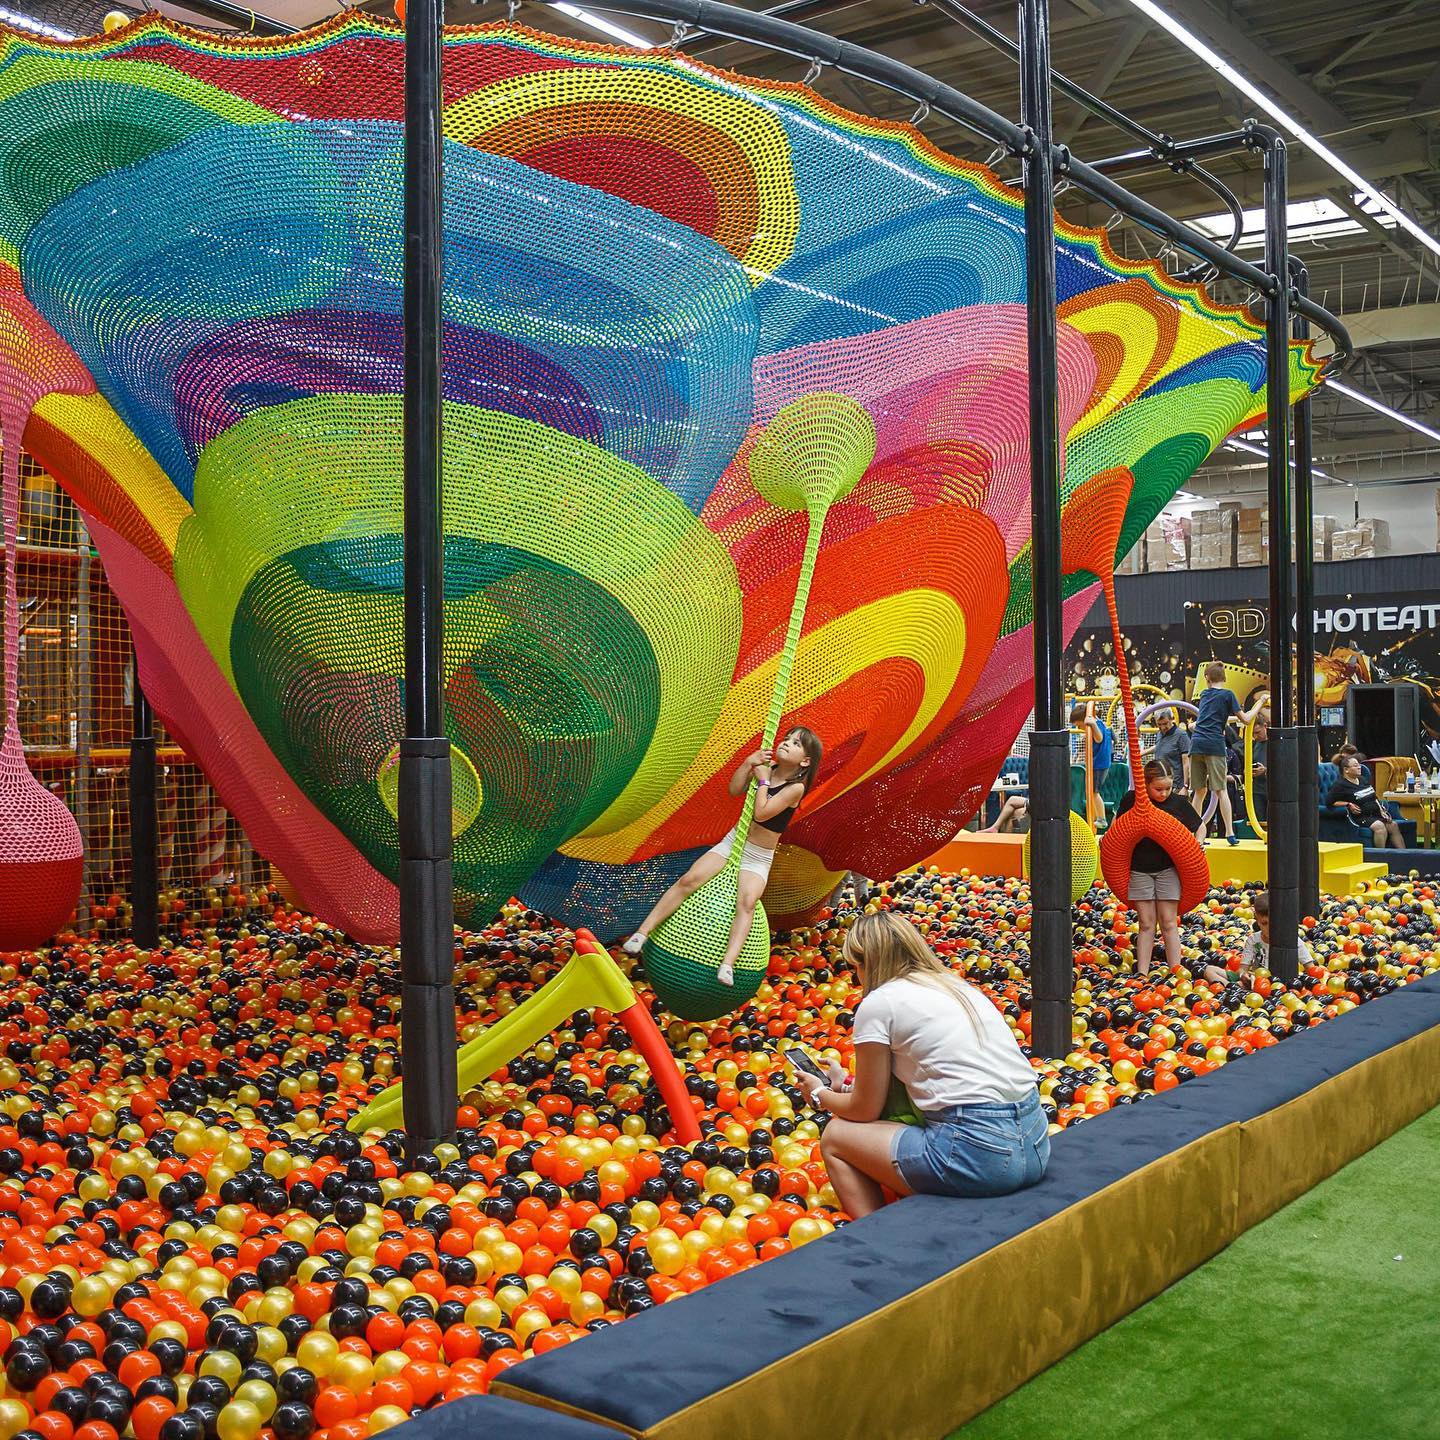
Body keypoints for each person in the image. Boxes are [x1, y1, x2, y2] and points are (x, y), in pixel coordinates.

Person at [792, 911, 1048, 1217]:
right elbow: (938, 1077)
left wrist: (821, 1095)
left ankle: (878, 1237)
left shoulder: (879, 1002)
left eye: (854, 967)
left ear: (867, 963)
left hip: (979, 1154)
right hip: (1035, 1144)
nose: (855, 976)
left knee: (835, 1137)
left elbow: (865, 1110)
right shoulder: (954, 986)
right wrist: (844, 1084)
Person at [624, 726, 824, 984]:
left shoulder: (796, 787)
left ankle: (727, 964)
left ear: (805, 761)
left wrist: (763, 779)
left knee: (747, 902)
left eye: (795, 744)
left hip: (759, 855)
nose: (786, 743)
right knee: (690, 879)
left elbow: (762, 813)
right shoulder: (768, 767)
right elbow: (735, 789)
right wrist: (748, 763)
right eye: (786, 739)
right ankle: (642, 933)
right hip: (735, 841)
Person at [1114, 760, 1205, 977]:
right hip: (1140, 870)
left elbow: (1199, 826)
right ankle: (1143, 973)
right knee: (1146, 923)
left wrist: (1198, 843)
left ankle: (1176, 970)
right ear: (1145, 785)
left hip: (1168, 869)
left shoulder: (1179, 804)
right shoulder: (1132, 800)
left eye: (1168, 788)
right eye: (1158, 789)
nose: (1164, 793)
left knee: (1168, 921)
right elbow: (1118, 827)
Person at [1188, 663, 1267, 845]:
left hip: (1197, 744)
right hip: (1214, 745)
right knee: (1221, 790)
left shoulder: (1205, 695)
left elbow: (1211, 717)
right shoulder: (1228, 695)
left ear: (1207, 678)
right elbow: (1246, 720)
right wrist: (1260, 702)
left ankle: (1193, 833)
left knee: (1199, 792)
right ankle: (1230, 833)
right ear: (1224, 678)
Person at [1195, 890, 1314, 986]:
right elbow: (1243, 969)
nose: (1270, 928)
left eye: (1274, 924)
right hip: (1255, 981)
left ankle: (1234, 990)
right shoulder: (1253, 940)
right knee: (1209, 970)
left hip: (1281, 984)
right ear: (1257, 921)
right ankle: (1232, 989)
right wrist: (1244, 976)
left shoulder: (1292, 941)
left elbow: (1311, 969)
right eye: (1265, 923)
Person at [1327, 753, 1404, 849]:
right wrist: (1348, 804)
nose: (1359, 767)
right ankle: (1381, 855)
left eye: (1359, 765)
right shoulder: (1340, 785)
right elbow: (1329, 802)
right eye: (1355, 766)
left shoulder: (1362, 779)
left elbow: (1374, 797)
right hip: (1360, 817)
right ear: (1346, 770)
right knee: (1379, 827)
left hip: (1374, 814)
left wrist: (1382, 811)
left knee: (1393, 825)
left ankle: (1404, 853)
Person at [1071, 700, 1114, 807]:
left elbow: (1099, 738)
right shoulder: (1097, 724)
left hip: (1100, 764)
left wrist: (1092, 724)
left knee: (1094, 793)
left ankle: (1101, 819)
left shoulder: (1096, 724)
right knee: (1091, 792)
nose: (1080, 729)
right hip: (1098, 763)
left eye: (1079, 726)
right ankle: (1096, 817)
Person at [1145, 706, 1190, 794]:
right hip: (1160, 782)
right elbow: (1160, 746)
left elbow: (1186, 762)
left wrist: (1185, 786)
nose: (1162, 727)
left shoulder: (1181, 735)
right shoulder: (1159, 734)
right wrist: (1142, 753)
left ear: (1171, 719)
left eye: (1165, 723)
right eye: (1159, 724)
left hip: (1175, 784)